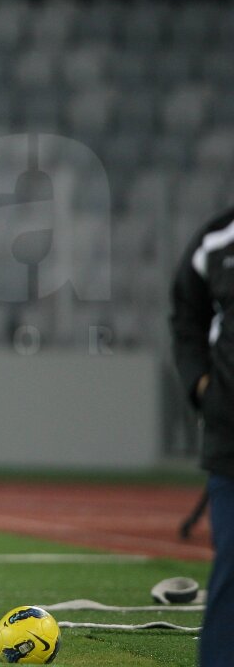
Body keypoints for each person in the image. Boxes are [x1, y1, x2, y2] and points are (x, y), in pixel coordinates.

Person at [170, 205, 234, 666]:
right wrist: (199, 383)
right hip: (231, 433)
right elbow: (186, 314)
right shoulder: (217, 239)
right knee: (232, 567)